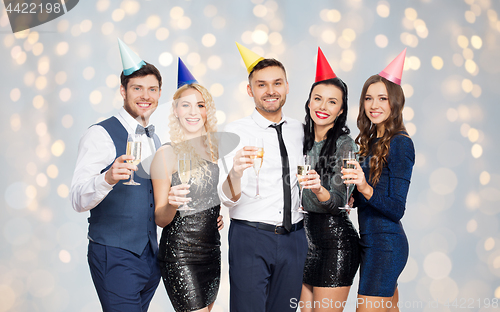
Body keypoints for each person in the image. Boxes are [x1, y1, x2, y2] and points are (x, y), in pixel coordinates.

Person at [70, 39, 162, 311]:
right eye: (137, 88)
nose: (146, 96)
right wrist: (107, 178)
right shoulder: (99, 134)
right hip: (114, 255)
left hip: (150, 258)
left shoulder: (155, 138)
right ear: (123, 91)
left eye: (152, 89)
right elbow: (77, 199)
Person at [218, 42, 308, 312]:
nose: (271, 91)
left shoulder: (301, 130)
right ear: (250, 90)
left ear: (287, 86)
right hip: (251, 237)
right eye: (261, 85)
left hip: (295, 238)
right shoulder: (234, 132)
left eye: (277, 83)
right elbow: (226, 197)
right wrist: (235, 171)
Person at [341, 49, 415, 312]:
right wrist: (352, 195)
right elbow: (371, 198)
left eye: (382, 98)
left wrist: (363, 186)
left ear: (395, 103)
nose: (374, 105)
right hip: (369, 241)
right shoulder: (371, 143)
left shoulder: (401, 144)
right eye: (368, 98)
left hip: (386, 245)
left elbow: (396, 208)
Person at [151, 58, 221, 312]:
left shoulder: (212, 153)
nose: (193, 112)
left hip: (212, 252)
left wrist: (214, 214)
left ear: (206, 111)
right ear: (176, 111)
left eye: (199, 105)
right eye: (186, 105)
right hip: (181, 255)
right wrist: (171, 203)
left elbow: (207, 197)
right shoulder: (166, 155)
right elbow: (160, 217)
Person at [299, 48, 360, 312]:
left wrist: (319, 189)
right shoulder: (299, 138)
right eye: (318, 99)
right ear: (309, 102)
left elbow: (339, 203)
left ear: (341, 110)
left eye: (332, 102)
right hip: (306, 241)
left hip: (336, 243)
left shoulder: (345, 146)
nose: (323, 107)